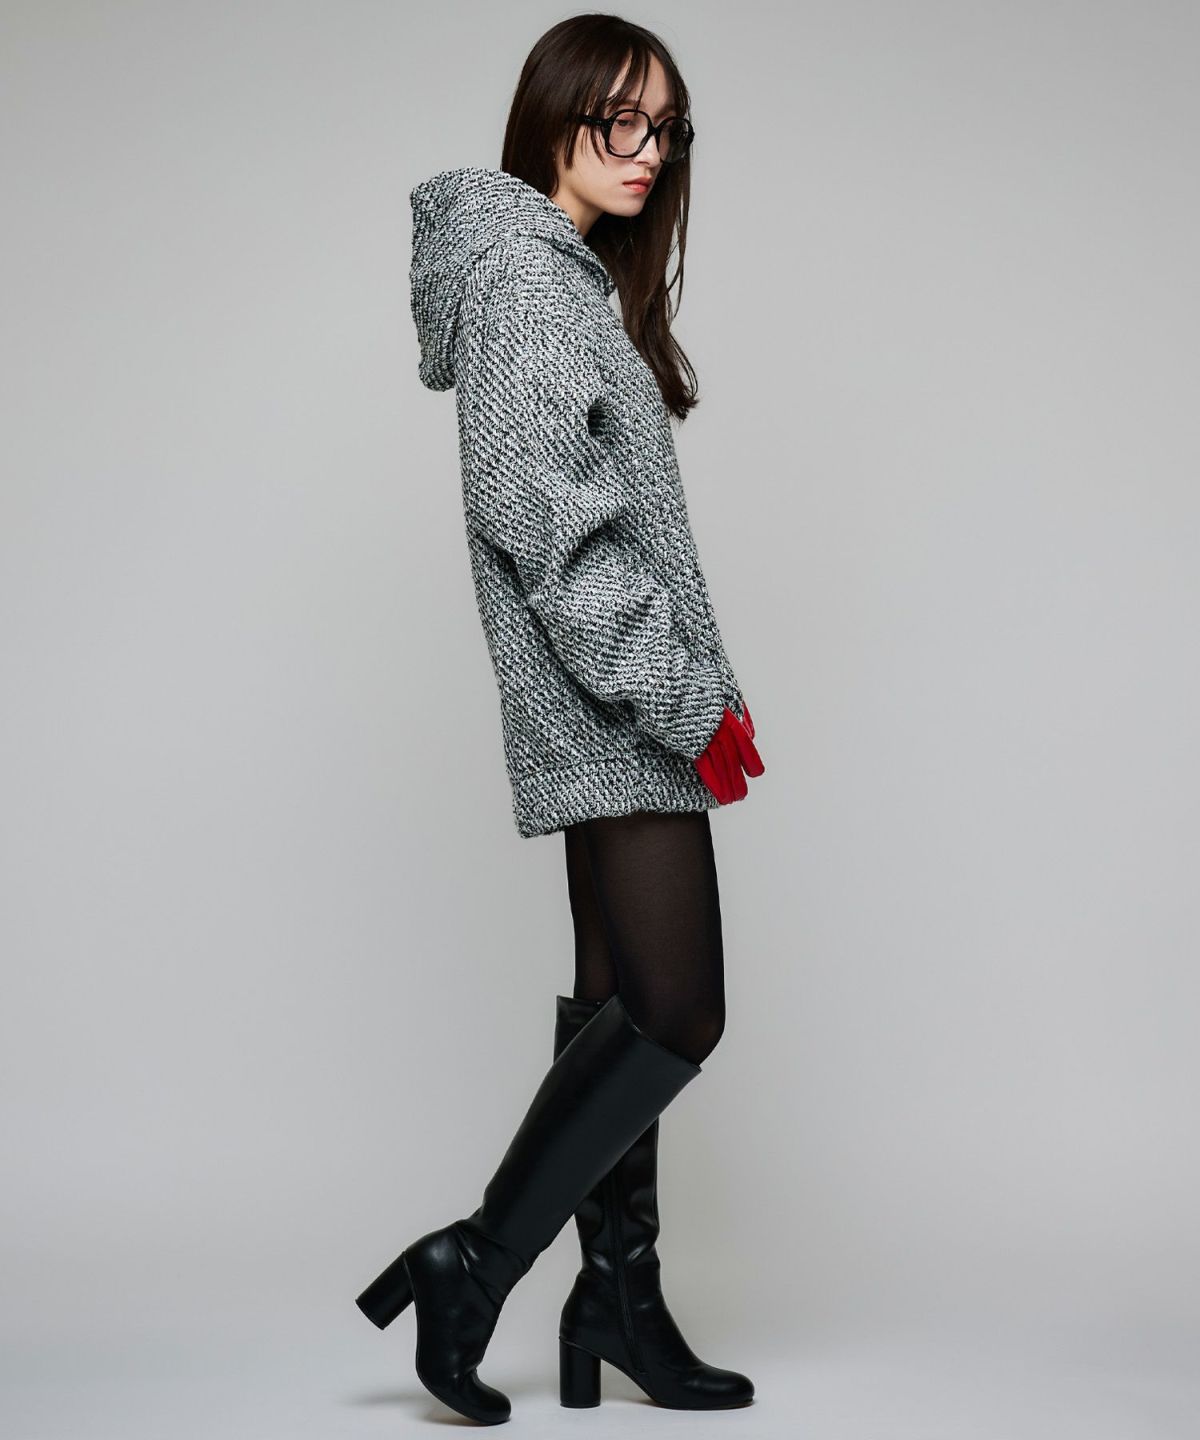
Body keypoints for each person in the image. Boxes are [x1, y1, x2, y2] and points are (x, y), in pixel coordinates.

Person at [355, 13, 765, 1425]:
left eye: (668, 128)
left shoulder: (567, 277)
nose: (648, 152)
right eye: (619, 121)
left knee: (614, 1007)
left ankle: (617, 1300)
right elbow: (553, 534)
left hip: (610, 693)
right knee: (679, 1010)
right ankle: (474, 1263)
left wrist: (698, 685)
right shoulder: (529, 282)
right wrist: (684, 699)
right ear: (553, 117)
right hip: (609, 703)